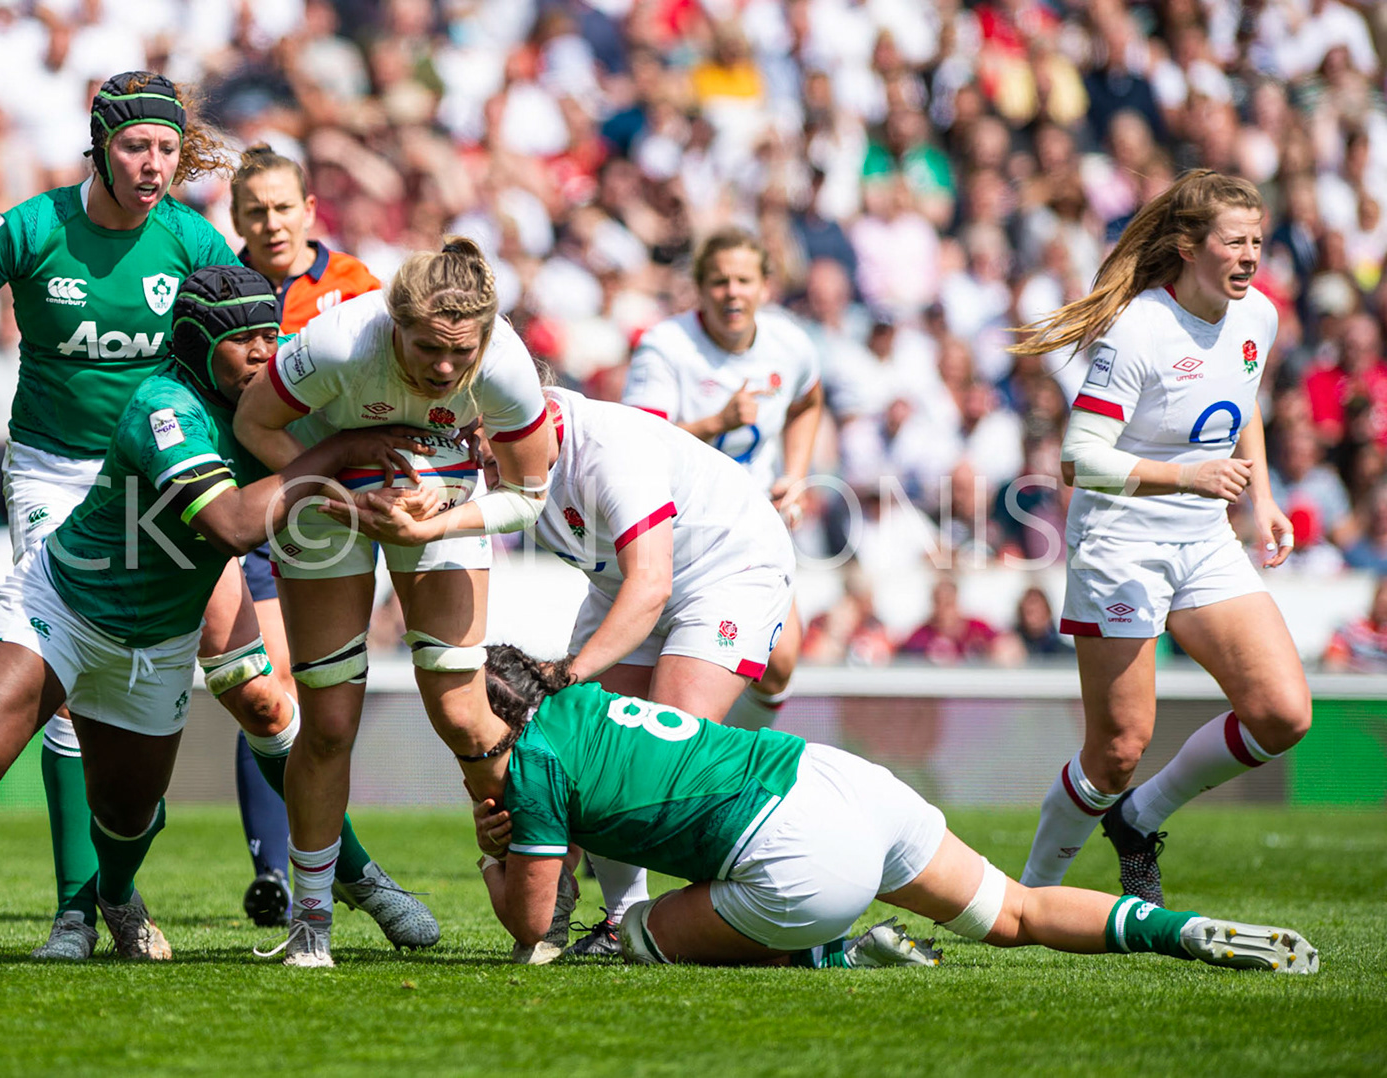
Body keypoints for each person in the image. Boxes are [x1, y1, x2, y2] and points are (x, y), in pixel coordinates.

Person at [0, 73, 432, 959]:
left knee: (255, 689)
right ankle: (78, 911)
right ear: (99, 146)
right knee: (64, 696)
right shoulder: (33, 226)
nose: (153, 164)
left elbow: (255, 341)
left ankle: (356, 874)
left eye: (168, 150)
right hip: (59, 478)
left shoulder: (191, 236)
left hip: (180, 475)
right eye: (137, 147)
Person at [469, 646, 1318, 975]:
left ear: (497, 719)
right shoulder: (582, 700)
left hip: (799, 856)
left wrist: (489, 854)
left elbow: (531, 925)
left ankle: (833, 953)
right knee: (1014, 913)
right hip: (838, 779)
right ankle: (1187, 932)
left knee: (635, 933)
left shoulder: (535, 762)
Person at [234, 239, 556, 967]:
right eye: (427, 350)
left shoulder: (505, 365)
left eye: (460, 353)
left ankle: (543, 906)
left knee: (466, 717)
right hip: (328, 492)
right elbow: (255, 427)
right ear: (392, 323)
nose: (445, 370)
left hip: (439, 501)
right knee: (328, 722)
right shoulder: (338, 342)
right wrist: (347, 500)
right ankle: (312, 925)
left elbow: (529, 497)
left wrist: (435, 522)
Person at [1008, 170, 1312, 906]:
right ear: (1187, 245)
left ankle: (1141, 819)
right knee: (1115, 752)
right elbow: (1079, 458)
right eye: (1234, 242)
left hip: (1205, 538)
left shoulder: (1256, 317)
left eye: (1257, 242)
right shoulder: (1139, 328)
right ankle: (1025, 901)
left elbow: (1242, 406)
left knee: (1281, 712)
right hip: (1122, 545)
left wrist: (1262, 497)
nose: (1250, 256)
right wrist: (1190, 480)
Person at [420, 383, 799, 959]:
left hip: (727, 568)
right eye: (467, 437)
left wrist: (570, 672)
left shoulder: (608, 450)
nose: (476, 452)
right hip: (626, 581)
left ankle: (771, 893)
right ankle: (620, 921)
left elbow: (653, 585)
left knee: (658, 751)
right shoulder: (503, 458)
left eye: (483, 433)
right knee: (582, 746)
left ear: (538, 412)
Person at [221, 144, 385, 924]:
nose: (271, 222)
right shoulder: (222, 288)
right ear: (236, 220)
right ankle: (279, 874)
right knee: (270, 684)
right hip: (257, 504)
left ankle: (318, 864)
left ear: (310, 209)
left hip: (332, 513)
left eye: (283, 207)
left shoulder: (355, 287)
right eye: (255, 210)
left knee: (315, 700)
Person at [621, 229, 819, 716]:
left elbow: (808, 402)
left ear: (765, 287)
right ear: (700, 288)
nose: (732, 292)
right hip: (676, 530)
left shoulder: (789, 344)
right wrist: (717, 423)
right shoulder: (665, 348)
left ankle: (733, 762)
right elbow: (636, 445)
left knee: (781, 663)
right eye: (719, 281)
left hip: (753, 528)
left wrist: (795, 475)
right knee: (639, 693)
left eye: (744, 280)